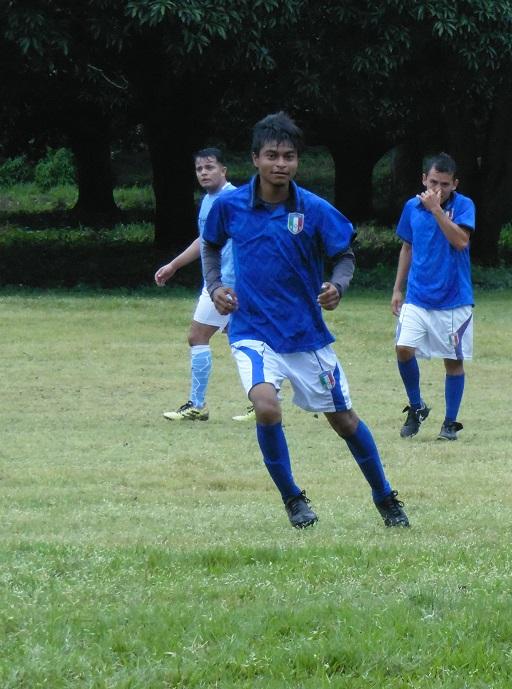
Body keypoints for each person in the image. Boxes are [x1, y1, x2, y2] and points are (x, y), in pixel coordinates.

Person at [201, 111, 409, 529]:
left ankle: (385, 497)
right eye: (272, 155)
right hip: (252, 330)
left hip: (306, 335)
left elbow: (345, 254)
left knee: (344, 419)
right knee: (265, 406)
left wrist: (338, 285)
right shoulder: (230, 206)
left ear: (298, 160)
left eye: (289, 156)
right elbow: (210, 245)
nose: (281, 164)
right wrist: (214, 286)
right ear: (255, 159)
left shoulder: (313, 208)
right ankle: (294, 499)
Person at [155, 148, 253, 422]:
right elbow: (205, 241)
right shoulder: (210, 201)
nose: (204, 173)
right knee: (245, 340)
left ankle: (198, 404)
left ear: (224, 170)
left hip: (225, 284)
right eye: (199, 169)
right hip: (218, 281)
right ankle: (263, 401)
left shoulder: (233, 199)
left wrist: (235, 280)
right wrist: (174, 265)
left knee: (198, 336)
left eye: (210, 167)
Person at [391, 153, 476, 441]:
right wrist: (397, 289)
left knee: (453, 361)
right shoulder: (411, 207)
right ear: (423, 180)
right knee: (403, 348)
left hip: (454, 298)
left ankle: (450, 423)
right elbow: (407, 247)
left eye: (445, 184)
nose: (438, 189)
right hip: (417, 296)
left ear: (455, 184)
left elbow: (461, 241)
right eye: (433, 182)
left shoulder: (464, 206)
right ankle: (417, 407)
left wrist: (438, 211)